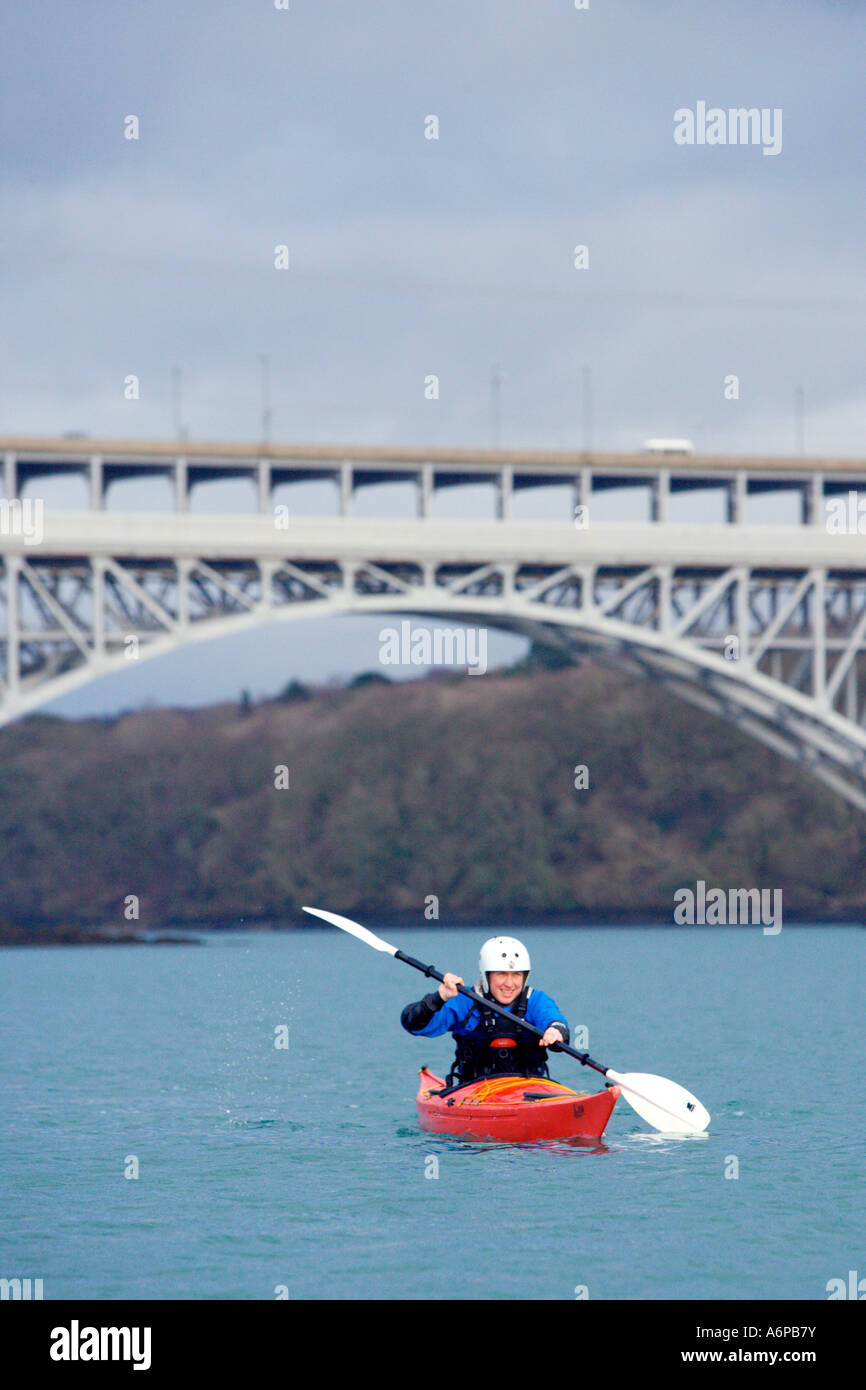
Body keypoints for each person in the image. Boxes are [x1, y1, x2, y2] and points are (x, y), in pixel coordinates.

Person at [401, 935, 570, 1086]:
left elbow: (554, 1020)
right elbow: (413, 1025)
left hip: (531, 1090)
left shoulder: (536, 1001)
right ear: (486, 975)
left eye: (517, 975)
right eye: (502, 974)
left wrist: (556, 1031)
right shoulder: (464, 1001)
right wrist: (439, 998)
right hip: (473, 1093)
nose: (510, 984)